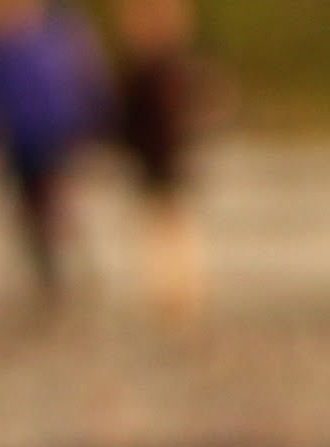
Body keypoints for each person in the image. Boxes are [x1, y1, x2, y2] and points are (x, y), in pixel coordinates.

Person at [0, 0, 107, 313]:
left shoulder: (60, 29)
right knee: (24, 212)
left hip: (54, 137)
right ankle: (47, 282)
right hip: (14, 141)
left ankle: (70, 275)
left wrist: (92, 128)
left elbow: (88, 81)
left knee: (53, 206)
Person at [110, 0, 210, 327]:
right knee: (167, 230)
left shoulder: (159, 71)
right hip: (158, 163)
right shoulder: (170, 69)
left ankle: (176, 297)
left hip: (165, 163)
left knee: (167, 231)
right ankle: (173, 297)